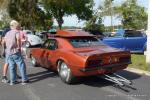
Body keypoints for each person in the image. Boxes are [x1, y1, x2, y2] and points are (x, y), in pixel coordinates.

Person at [4, 20, 28, 85]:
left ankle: (13, 81)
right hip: (15, 51)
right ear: (16, 26)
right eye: (18, 25)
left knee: (12, 66)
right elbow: (18, 40)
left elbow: (4, 41)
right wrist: (19, 48)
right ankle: (24, 79)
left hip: (9, 52)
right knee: (21, 65)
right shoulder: (16, 32)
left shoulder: (7, 33)